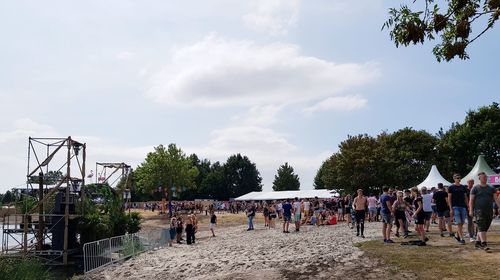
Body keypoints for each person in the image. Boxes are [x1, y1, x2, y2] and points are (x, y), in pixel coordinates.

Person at [469, 172, 500, 251]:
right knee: (481, 227)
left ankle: (477, 243)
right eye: (483, 177)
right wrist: (471, 210)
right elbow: (471, 200)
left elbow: (496, 198)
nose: (485, 179)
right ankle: (484, 244)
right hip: (479, 211)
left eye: (486, 177)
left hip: (489, 211)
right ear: (479, 179)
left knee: (484, 228)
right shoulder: (475, 188)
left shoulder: (491, 188)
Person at [448, 173, 468, 244]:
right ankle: (462, 239)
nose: (459, 179)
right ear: (454, 179)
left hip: (463, 207)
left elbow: (465, 197)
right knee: (459, 223)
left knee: (462, 223)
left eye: (459, 178)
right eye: (457, 178)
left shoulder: (463, 187)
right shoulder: (451, 187)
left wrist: (468, 206)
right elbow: (449, 199)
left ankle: (457, 235)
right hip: (455, 207)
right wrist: (450, 209)